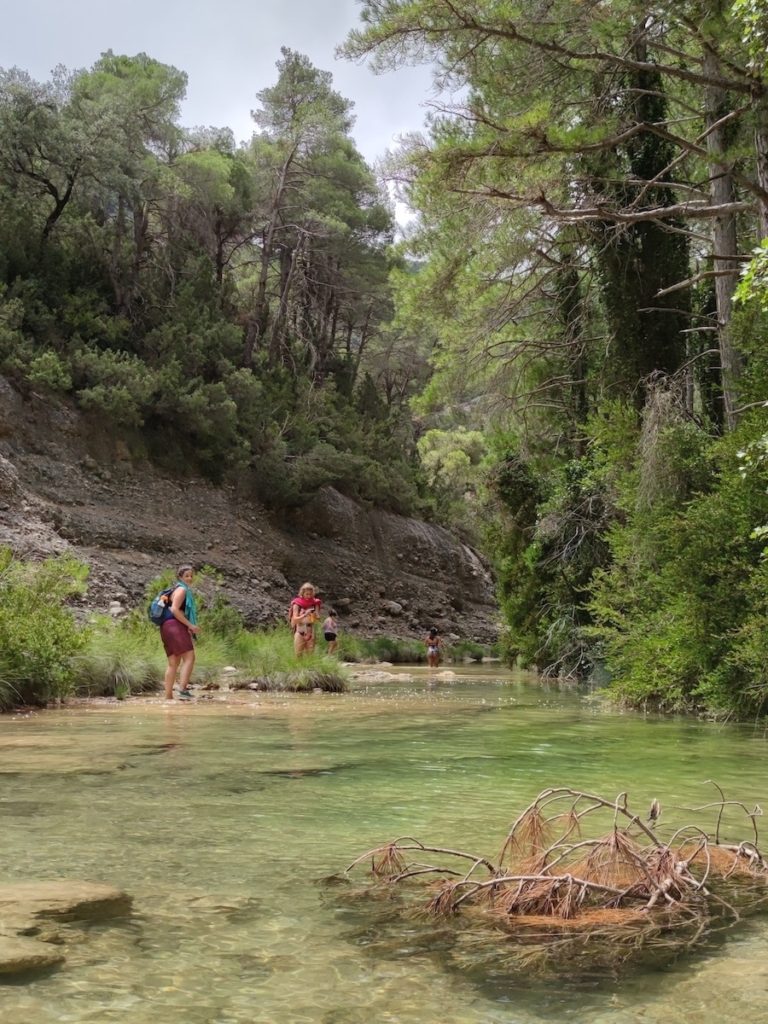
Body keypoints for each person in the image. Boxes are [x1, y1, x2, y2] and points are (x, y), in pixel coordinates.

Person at [161, 565, 201, 700]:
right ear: (180, 577)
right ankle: (183, 690)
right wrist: (191, 625)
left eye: (191, 576)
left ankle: (168, 697)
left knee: (173, 662)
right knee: (189, 657)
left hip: (166, 626)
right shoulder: (182, 590)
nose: (189, 578)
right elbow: (174, 609)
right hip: (175, 625)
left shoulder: (175, 589)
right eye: (187, 576)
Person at [290, 582, 322, 657]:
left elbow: (317, 617)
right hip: (300, 630)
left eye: (310, 594)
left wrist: (314, 615)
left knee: (310, 655)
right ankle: (298, 668)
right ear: (302, 593)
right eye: (307, 594)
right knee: (298, 654)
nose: (309, 596)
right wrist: (305, 614)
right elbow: (295, 619)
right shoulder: (297, 603)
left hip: (310, 630)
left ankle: (309, 668)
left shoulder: (315, 603)